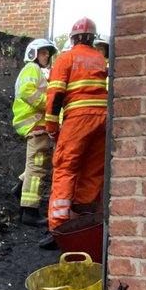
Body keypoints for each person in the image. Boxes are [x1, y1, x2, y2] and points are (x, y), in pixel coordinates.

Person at [40, 16, 108, 249]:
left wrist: (52, 128)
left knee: (65, 167)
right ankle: (82, 223)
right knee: (92, 170)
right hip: (103, 120)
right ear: (92, 39)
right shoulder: (101, 60)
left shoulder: (66, 58)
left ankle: (59, 227)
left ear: (73, 38)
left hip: (79, 119)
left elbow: (56, 96)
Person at [11, 37, 57, 225]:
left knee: (38, 164)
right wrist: (50, 105)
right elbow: (27, 92)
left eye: (47, 53)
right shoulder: (32, 68)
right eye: (43, 52)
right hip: (36, 124)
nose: (46, 56)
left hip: (39, 125)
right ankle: (29, 210)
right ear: (33, 53)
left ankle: (20, 188)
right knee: (37, 165)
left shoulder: (38, 71)